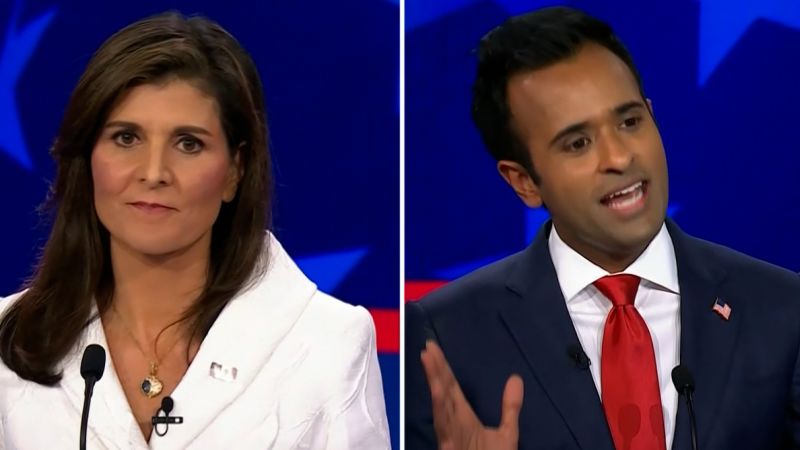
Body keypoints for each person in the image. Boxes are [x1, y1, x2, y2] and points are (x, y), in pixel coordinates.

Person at [405, 6, 800, 450]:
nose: (619, 157)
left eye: (630, 122)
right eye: (578, 143)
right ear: (524, 181)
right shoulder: (448, 336)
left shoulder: (783, 310)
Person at [0, 12, 390, 449]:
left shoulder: (326, 344)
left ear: (234, 171)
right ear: (88, 157)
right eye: (126, 138)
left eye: (189, 144)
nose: (154, 173)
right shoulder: (8, 342)